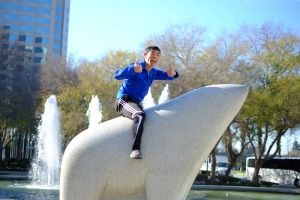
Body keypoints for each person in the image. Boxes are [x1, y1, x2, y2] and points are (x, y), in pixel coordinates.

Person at [114, 45, 179, 159]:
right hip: (124, 100)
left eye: (158, 55)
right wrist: (133, 70)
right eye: (152, 53)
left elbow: (168, 75)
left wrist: (174, 73)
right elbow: (117, 75)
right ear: (145, 55)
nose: (155, 56)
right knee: (139, 115)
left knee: (145, 116)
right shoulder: (137, 67)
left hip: (135, 103)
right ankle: (135, 150)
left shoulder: (153, 72)